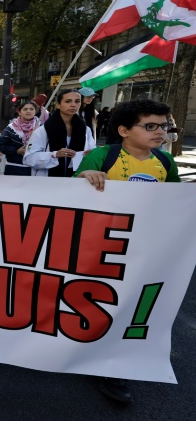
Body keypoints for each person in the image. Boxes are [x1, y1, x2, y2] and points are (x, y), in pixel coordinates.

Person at [73, 98, 180, 403]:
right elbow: (69, 192)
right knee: (97, 298)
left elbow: (175, 204)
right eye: (150, 126)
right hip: (100, 247)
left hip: (142, 248)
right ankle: (81, 344)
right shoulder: (101, 156)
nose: (160, 132)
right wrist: (84, 177)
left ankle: (112, 367)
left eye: (164, 126)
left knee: (129, 302)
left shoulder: (165, 163)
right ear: (123, 130)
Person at [23, 89, 96, 177]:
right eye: (68, 101)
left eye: (77, 101)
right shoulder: (43, 130)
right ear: (58, 105)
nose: (73, 105)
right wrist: (54, 155)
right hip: (48, 183)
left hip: (76, 181)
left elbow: (92, 153)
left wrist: (90, 154)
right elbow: (29, 159)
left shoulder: (85, 130)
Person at [0, 101, 40, 176]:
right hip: (14, 168)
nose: (28, 111)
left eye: (31, 109)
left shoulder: (40, 127)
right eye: (25, 109)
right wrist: (16, 151)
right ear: (19, 112)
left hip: (35, 169)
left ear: (35, 111)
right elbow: (1, 146)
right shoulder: (11, 128)